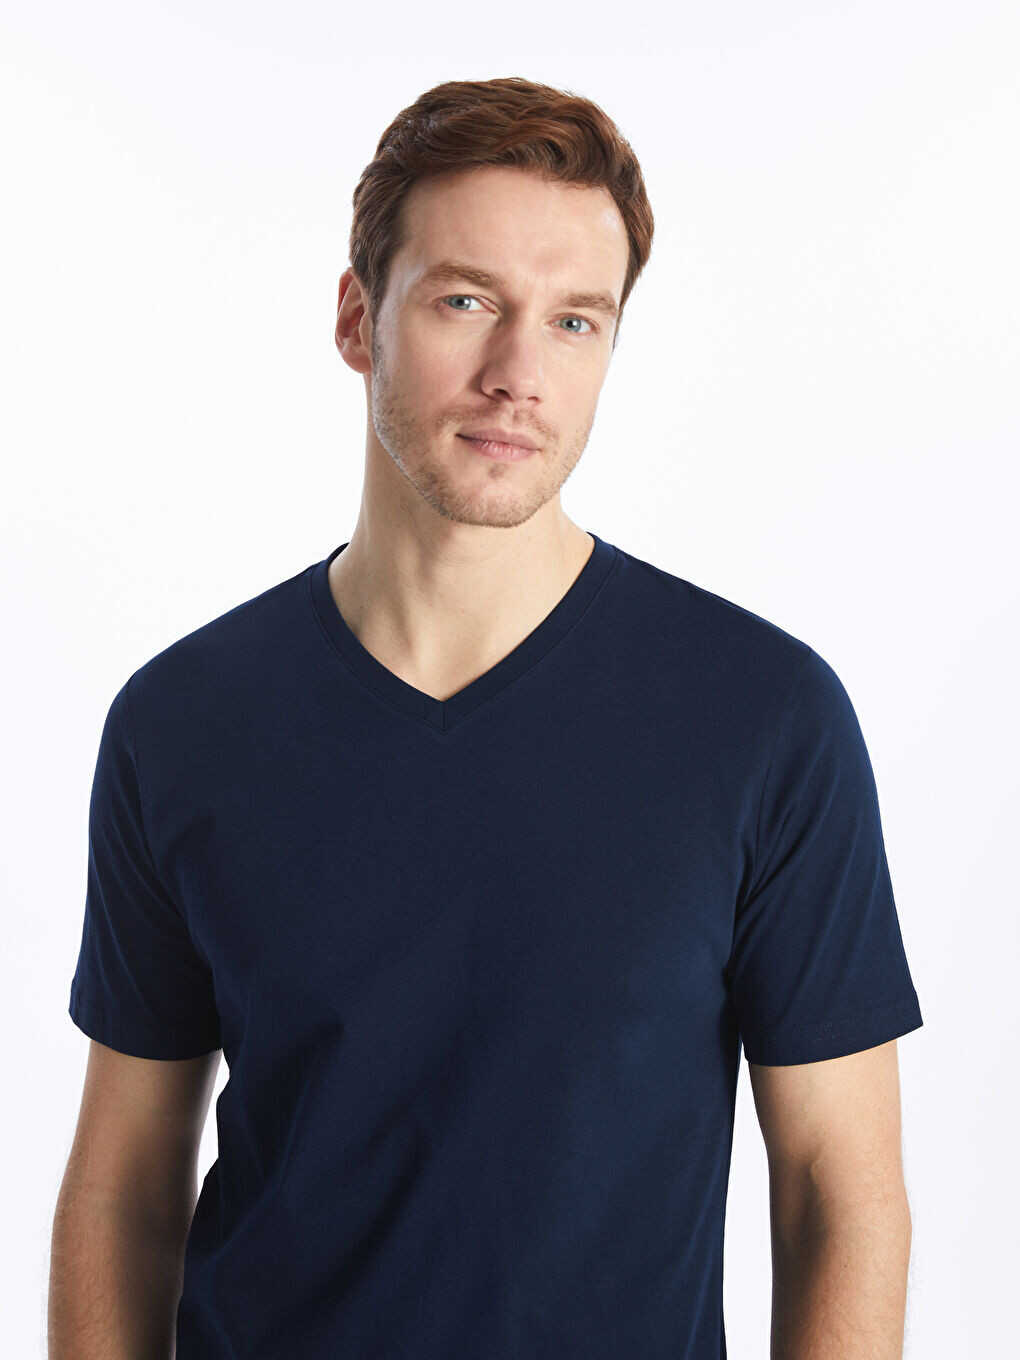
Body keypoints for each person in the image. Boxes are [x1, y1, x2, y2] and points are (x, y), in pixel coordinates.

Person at [51, 76, 923, 1359]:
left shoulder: (763, 719)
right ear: (358, 318)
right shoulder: (183, 722)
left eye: (574, 321)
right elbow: (124, 1185)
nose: (521, 374)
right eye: (466, 302)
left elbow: (837, 1189)